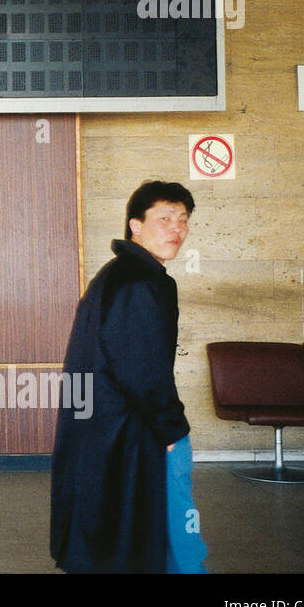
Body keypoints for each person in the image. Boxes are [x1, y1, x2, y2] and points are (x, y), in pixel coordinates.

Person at [50, 180, 209, 573]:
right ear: (135, 225)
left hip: (104, 428)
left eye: (183, 219)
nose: (177, 228)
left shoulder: (119, 274)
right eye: (165, 218)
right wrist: (171, 429)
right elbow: (140, 369)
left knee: (109, 529)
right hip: (129, 432)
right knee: (167, 527)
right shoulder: (140, 281)